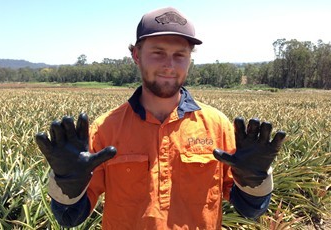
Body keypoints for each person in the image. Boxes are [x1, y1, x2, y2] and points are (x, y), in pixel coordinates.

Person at [35, 6, 286, 229]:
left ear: (190, 60)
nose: (169, 65)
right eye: (158, 52)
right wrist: (66, 183)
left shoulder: (217, 126)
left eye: (180, 55)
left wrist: (256, 179)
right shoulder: (105, 129)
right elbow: (70, 218)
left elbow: (251, 210)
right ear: (136, 55)